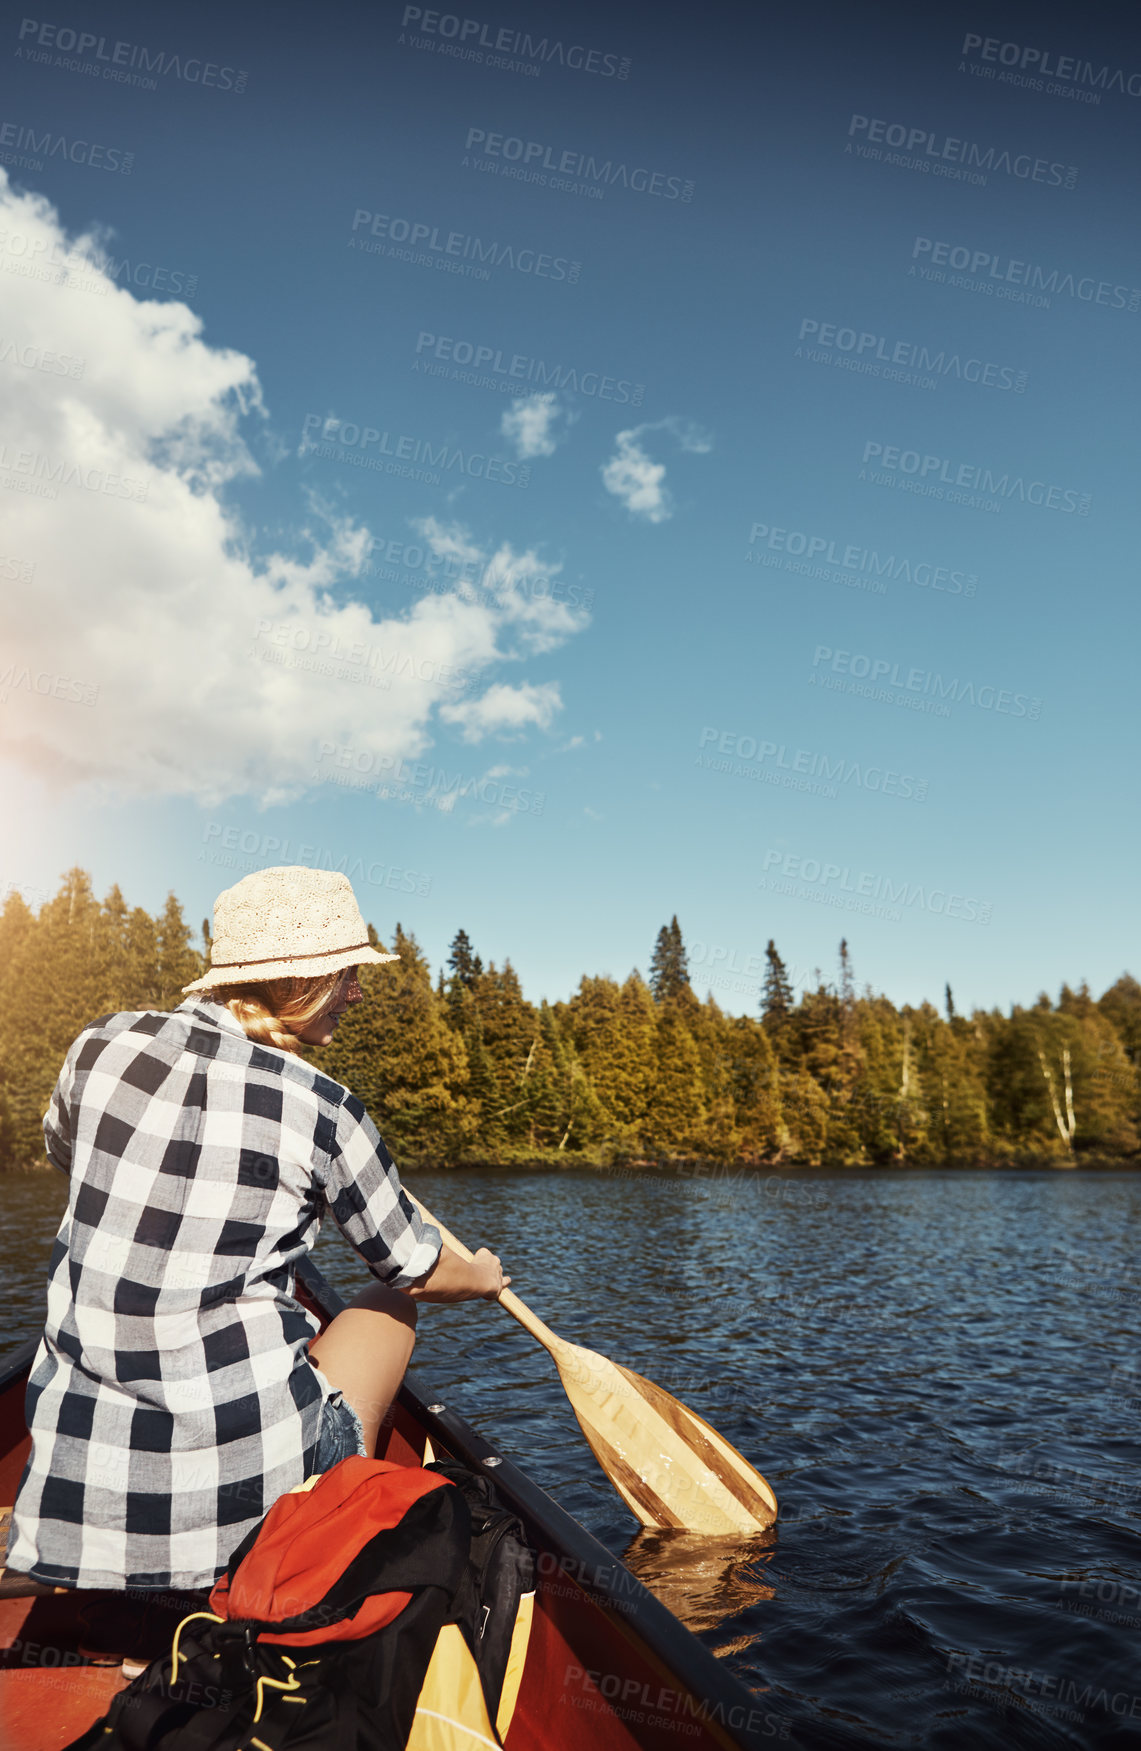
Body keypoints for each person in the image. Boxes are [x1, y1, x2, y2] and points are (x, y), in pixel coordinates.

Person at [5, 866, 508, 1596]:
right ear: (297, 979)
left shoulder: (101, 1043)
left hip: (82, 1498)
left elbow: (66, 1150)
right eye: (345, 973)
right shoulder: (327, 1108)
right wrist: (485, 1274)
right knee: (389, 1307)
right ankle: (316, 1523)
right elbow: (415, 1269)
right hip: (244, 1510)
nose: (357, 991)